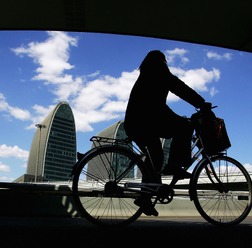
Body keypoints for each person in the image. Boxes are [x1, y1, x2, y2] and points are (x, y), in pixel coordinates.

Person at [124, 50, 208, 216]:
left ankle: (145, 198)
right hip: (146, 120)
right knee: (184, 127)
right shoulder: (159, 71)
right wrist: (201, 103)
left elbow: (168, 96)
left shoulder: (145, 75)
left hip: (137, 123)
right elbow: (179, 87)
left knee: (155, 157)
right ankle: (174, 166)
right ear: (160, 61)